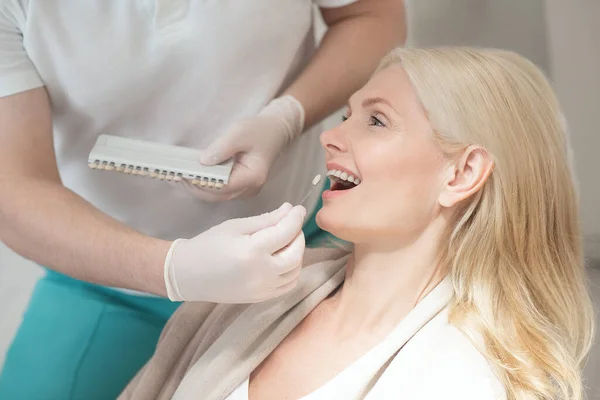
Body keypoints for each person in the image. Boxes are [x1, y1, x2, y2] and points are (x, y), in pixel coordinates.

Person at [118, 47, 596, 400]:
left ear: (462, 174)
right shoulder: (243, 306)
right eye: (347, 115)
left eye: (377, 122)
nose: (329, 137)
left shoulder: (468, 381)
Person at [0, 0, 407, 398]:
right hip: (108, 271)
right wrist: (174, 269)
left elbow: (372, 14)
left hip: (303, 234)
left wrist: (288, 117)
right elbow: (15, 193)